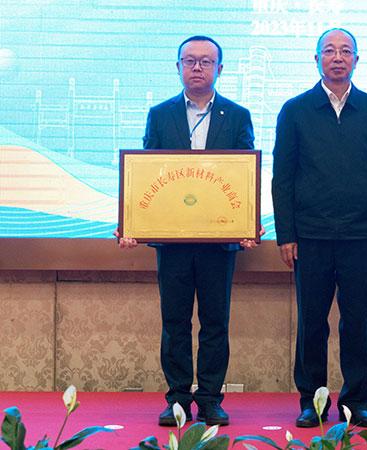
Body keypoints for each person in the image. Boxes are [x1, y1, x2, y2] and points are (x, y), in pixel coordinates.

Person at [117, 35, 259, 427]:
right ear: (178, 66)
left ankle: (210, 399)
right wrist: (133, 224)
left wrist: (247, 223)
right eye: (189, 60)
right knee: (175, 322)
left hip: (218, 241)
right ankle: (178, 399)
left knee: (215, 323)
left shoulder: (238, 115)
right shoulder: (160, 114)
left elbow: (244, 173)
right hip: (173, 240)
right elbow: (146, 173)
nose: (197, 67)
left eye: (206, 61)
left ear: (220, 69)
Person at [271, 28, 367, 429]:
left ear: (357, 60)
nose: (338, 57)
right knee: (312, 322)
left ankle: (356, 402)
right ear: (317, 59)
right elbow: (282, 177)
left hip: (361, 235)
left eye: (346, 51)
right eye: (329, 51)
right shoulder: (295, 110)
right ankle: (312, 401)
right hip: (310, 236)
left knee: (356, 322)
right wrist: (286, 234)